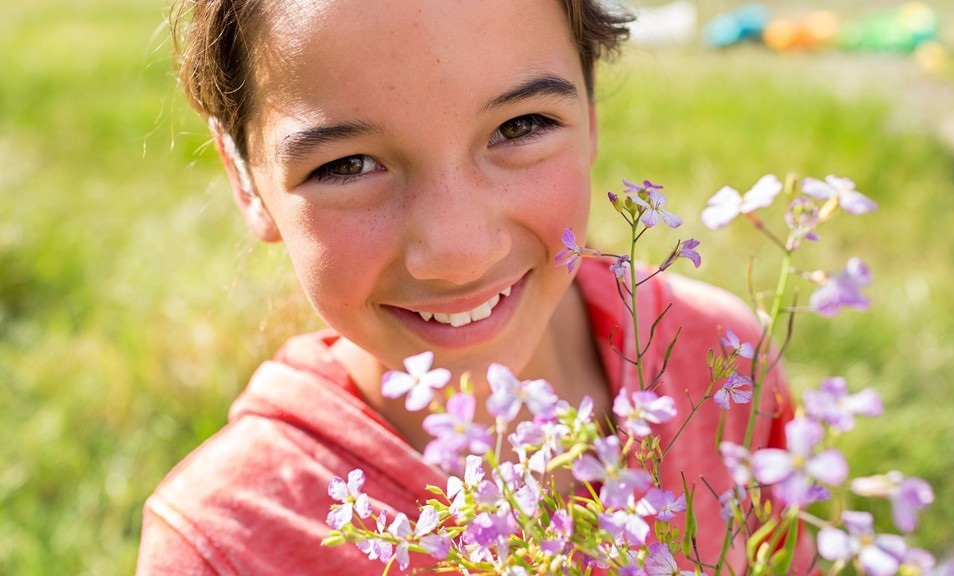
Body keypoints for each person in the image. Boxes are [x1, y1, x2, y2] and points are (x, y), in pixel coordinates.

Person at [138, 0, 807, 573]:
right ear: (244, 177)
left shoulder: (720, 358)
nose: (457, 254)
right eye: (348, 165)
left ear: (592, 103)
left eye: (520, 127)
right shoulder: (223, 544)